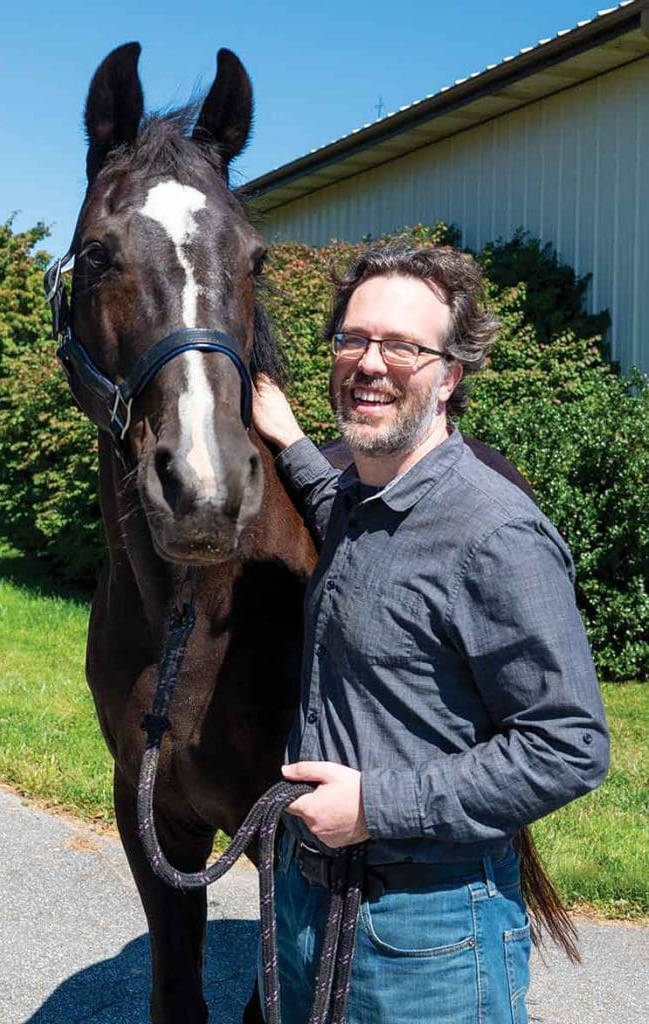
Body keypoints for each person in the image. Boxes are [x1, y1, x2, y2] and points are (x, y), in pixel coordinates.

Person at [251, 242, 609, 1024]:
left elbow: (569, 745)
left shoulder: (494, 535)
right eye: (353, 339)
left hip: (428, 934)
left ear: (449, 375)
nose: (370, 363)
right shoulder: (361, 504)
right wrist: (285, 437)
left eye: (403, 346)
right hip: (307, 902)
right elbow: (336, 505)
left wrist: (378, 806)